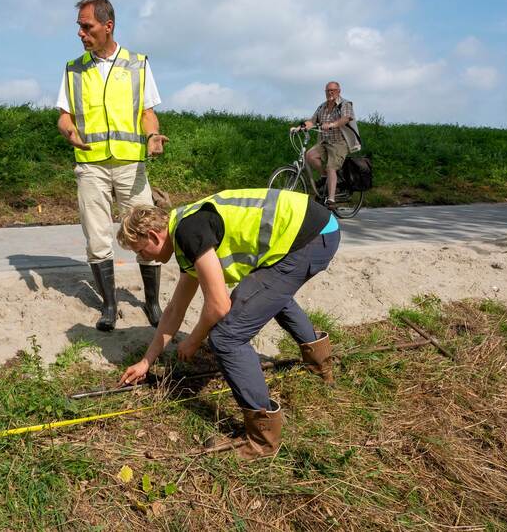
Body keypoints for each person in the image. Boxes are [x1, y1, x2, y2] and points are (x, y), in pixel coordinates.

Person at [116, 189, 341, 459]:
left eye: (142, 251)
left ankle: (263, 439)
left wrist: (194, 340)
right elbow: (175, 308)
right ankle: (321, 366)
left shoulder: (189, 232)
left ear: (153, 236)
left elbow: (219, 306)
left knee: (226, 337)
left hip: (312, 237)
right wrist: (147, 361)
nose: (145, 259)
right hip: (316, 229)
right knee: (267, 296)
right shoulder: (184, 230)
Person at [56, 0, 168, 332]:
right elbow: (64, 116)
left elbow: (148, 114)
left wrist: (152, 137)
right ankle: (109, 305)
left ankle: (152, 303)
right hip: (90, 164)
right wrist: (69, 132)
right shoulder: (73, 69)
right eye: (79, 27)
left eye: (86, 26)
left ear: (108, 26)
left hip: (131, 165)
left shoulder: (137, 64)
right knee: (96, 236)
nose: (80, 33)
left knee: (147, 231)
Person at [291, 82, 361, 208]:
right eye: (328, 90)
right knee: (310, 155)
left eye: (333, 90)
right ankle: (325, 177)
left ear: (339, 91)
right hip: (324, 142)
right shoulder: (322, 107)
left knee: (331, 167)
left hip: (340, 143)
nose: (330, 93)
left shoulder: (345, 104)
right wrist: (299, 128)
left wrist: (332, 124)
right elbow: (312, 122)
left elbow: (346, 118)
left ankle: (331, 199)